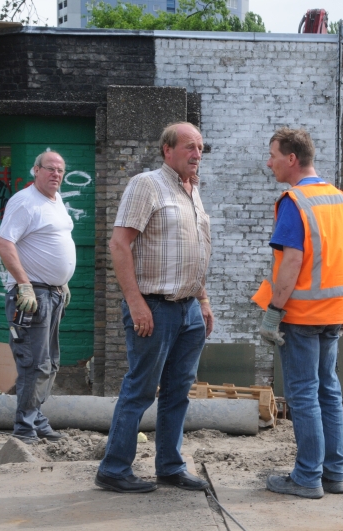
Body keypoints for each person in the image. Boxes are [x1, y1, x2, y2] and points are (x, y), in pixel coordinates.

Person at [95, 122, 214, 494]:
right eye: (189, 147)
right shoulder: (146, 185)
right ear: (167, 150)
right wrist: (135, 303)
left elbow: (195, 250)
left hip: (188, 310)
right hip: (154, 307)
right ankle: (114, 469)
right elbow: (119, 245)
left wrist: (203, 300)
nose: (197, 154)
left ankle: (170, 466)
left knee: (179, 391)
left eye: (200, 148)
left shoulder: (192, 191)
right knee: (141, 389)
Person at [252, 127, 343, 499]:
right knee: (328, 391)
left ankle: (307, 477)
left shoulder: (295, 202)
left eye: (274, 155)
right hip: (334, 313)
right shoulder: (338, 199)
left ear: (292, 159)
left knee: (303, 394)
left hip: (301, 315)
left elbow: (291, 263)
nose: (270, 162)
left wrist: (273, 312)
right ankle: (334, 473)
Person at [0, 150, 75, 444]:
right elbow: (5, 244)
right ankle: (25, 429)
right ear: (36, 170)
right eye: (50, 169)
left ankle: (37, 419)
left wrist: (61, 281)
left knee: (51, 362)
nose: (56, 174)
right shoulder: (25, 202)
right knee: (34, 363)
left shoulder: (56, 200)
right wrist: (24, 284)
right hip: (33, 295)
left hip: (52, 294)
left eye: (60, 170)